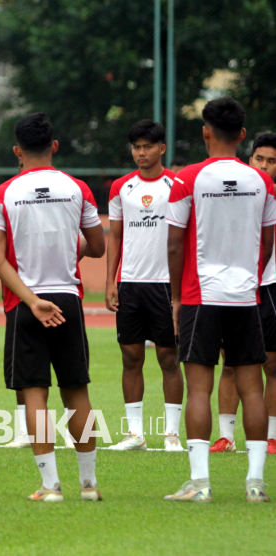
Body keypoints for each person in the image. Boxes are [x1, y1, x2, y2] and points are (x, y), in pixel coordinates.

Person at [0, 113, 105, 502]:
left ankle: (51, 486)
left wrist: (32, 300)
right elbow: (98, 247)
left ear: (17, 150)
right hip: (68, 299)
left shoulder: (1, 194)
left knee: (34, 393)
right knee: (77, 392)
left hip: (24, 302)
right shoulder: (78, 188)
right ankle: (89, 485)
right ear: (54, 146)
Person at [165, 97, 274, 503]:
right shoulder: (263, 181)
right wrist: (249, 279)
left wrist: (176, 298)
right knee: (252, 389)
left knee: (198, 389)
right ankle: (256, 483)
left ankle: (200, 483)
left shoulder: (186, 178)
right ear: (243, 136)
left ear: (206, 132)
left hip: (200, 297)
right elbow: (266, 243)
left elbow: (174, 245)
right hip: (246, 297)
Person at [105, 120, 185, 452]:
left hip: (165, 285)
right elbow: (117, 236)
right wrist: (111, 280)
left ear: (161, 149)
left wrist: (182, 292)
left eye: (148, 146)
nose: (141, 152)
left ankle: (171, 435)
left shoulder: (177, 186)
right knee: (130, 357)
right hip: (131, 284)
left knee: (169, 357)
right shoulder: (121, 188)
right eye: (136, 147)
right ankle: (135, 434)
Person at [211, 132, 276, 455]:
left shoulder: (270, 195)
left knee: (272, 364)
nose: (265, 165)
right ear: (250, 159)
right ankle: (226, 436)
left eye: (272, 160)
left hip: (270, 285)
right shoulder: (236, 191)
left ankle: (272, 436)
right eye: (260, 158)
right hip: (235, 287)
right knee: (230, 364)